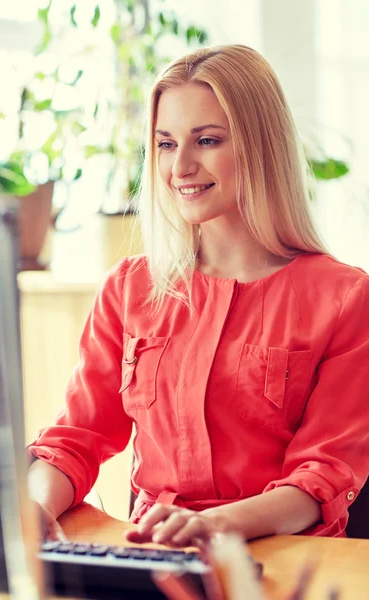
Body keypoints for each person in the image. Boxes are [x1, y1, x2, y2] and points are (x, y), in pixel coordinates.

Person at [27, 44, 369, 547]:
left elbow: (322, 478)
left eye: (206, 140)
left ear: (260, 146)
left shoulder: (345, 298)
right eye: (165, 144)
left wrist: (216, 525)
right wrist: (34, 508)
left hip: (280, 562)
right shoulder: (128, 288)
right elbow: (75, 441)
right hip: (152, 556)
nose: (180, 166)